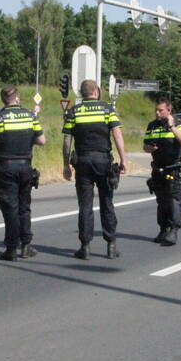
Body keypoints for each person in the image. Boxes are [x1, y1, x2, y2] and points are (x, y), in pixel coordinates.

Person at [62, 79, 127, 260]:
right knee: (107, 202)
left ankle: (85, 247)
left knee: (85, 206)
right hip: (103, 162)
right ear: (96, 92)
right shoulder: (107, 109)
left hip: (82, 162)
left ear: (81, 94)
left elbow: (67, 140)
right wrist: (123, 159)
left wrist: (65, 164)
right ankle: (111, 245)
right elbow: (117, 135)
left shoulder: (73, 112)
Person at [0, 85, 46, 261]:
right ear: (17, 98)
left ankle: (11, 249)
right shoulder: (30, 116)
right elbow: (42, 140)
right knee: (24, 207)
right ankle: (26, 246)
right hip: (25, 167)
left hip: (5, 167)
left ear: (3, 100)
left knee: (10, 209)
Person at [143, 96, 181, 246]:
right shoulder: (152, 125)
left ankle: (174, 230)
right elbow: (145, 146)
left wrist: (171, 127)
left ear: (169, 110)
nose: (157, 113)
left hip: (175, 168)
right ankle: (163, 229)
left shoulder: (178, 124)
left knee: (174, 200)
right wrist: (149, 148)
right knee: (161, 201)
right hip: (158, 169)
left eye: (160, 110)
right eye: (156, 110)